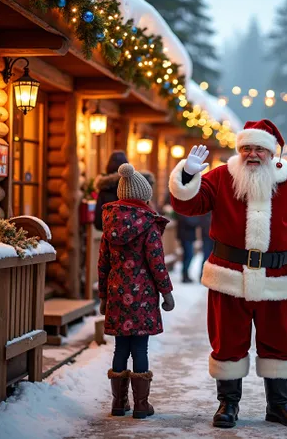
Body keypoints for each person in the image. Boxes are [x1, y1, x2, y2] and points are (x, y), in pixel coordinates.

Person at [168, 119, 287, 429]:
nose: (252, 154)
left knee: (280, 340)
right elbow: (189, 204)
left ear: (271, 152)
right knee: (228, 340)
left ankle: (279, 404)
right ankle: (228, 404)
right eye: (246, 148)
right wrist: (187, 174)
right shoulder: (222, 177)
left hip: (276, 277)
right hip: (229, 275)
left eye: (259, 149)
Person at [98, 163, 175, 419]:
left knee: (121, 348)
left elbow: (103, 264)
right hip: (142, 297)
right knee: (140, 349)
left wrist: (103, 296)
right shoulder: (149, 224)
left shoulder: (109, 223)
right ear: (144, 195)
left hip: (117, 294)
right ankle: (141, 405)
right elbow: (156, 263)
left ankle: (118, 404)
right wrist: (167, 292)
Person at [94, 151, 128, 231]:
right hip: (130, 237)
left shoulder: (104, 188)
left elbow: (98, 222)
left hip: (110, 237)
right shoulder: (132, 189)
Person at [176, 213, 200, 283]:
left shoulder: (186, 211)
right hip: (186, 236)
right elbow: (191, 222)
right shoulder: (183, 212)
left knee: (187, 256)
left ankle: (185, 275)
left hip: (188, 236)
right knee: (189, 256)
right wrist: (198, 220)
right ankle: (185, 275)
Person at [199, 212, 213, 280]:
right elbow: (205, 224)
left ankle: (208, 275)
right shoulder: (206, 212)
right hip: (207, 237)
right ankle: (203, 275)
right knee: (206, 256)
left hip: (211, 237)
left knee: (210, 256)